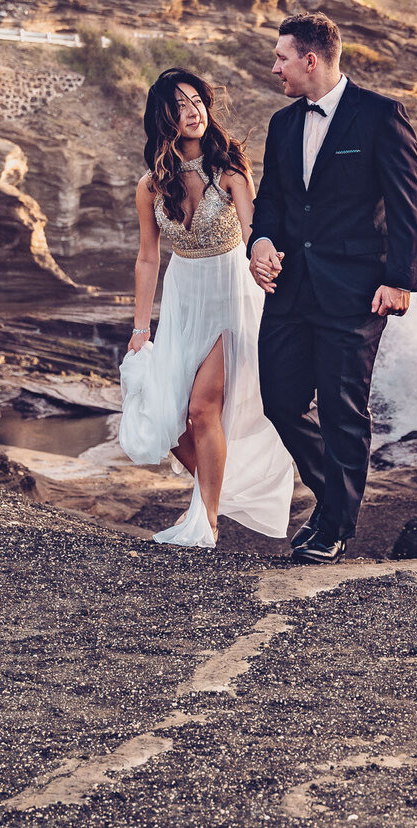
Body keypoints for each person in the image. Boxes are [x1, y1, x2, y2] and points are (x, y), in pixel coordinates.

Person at [249, 11, 417, 565]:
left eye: (280, 57)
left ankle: (335, 529)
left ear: (310, 59)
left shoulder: (380, 116)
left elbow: (408, 204)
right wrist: (260, 241)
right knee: (279, 399)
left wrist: (401, 280)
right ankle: (335, 502)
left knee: (343, 410)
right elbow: (274, 199)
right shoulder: (282, 125)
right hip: (290, 288)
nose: (274, 67)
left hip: (356, 290)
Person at [117, 68, 293, 547]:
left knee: (201, 409)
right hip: (182, 298)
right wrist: (140, 328)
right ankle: (219, 488)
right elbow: (148, 257)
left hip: (230, 293)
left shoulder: (231, 169)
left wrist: (270, 260)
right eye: (179, 107)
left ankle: (208, 521)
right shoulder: (151, 185)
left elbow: (256, 230)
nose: (192, 112)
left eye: (196, 101)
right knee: (169, 417)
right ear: (163, 119)